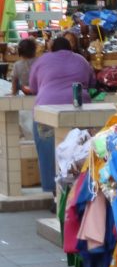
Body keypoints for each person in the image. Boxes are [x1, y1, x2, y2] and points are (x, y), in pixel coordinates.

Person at [28, 36, 96, 194]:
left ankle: (53, 191)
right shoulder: (81, 60)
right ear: (70, 49)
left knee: (47, 150)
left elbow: (33, 87)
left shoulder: (42, 60)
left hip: (46, 110)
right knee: (79, 149)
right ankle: (78, 189)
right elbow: (91, 82)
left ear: (52, 49)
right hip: (79, 110)